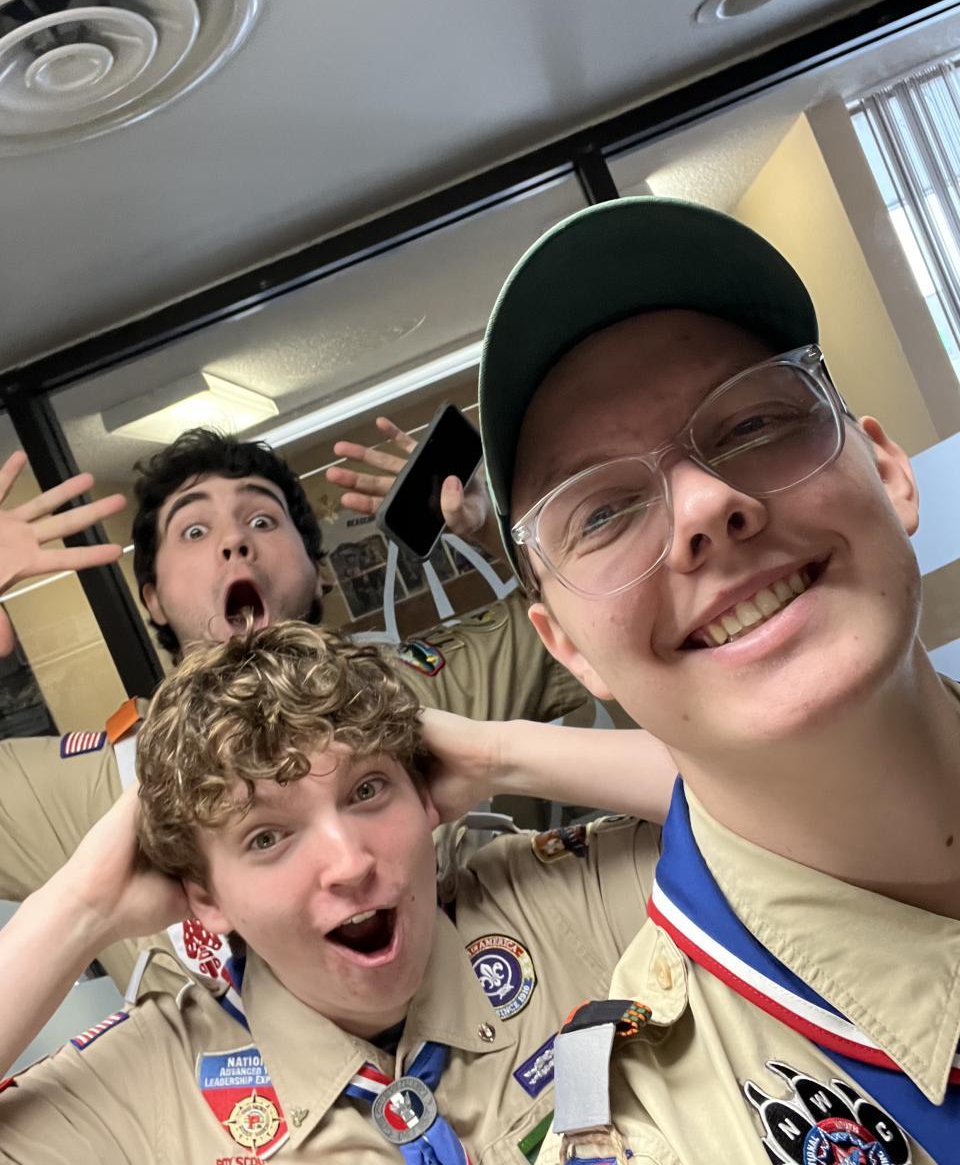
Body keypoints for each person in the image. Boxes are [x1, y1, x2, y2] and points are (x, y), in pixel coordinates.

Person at [474, 196, 960, 1163]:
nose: (704, 504)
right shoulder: (641, 1132)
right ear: (566, 648)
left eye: (753, 423)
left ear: (889, 470)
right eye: (603, 512)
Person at [0, 621, 671, 1162]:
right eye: (267, 836)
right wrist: (78, 910)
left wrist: (503, 756)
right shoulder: (151, 1087)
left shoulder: (547, 907)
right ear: (206, 898)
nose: (348, 863)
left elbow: (740, 814)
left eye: (367, 790)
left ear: (426, 796)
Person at [0, 427, 590, 996]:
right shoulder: (92, 784)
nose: (235, 543)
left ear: (319, 571)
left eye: (262, 520)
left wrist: (499, 532)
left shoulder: (410, 695)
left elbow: (592, 623)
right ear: (152, 598)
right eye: (195, 530)